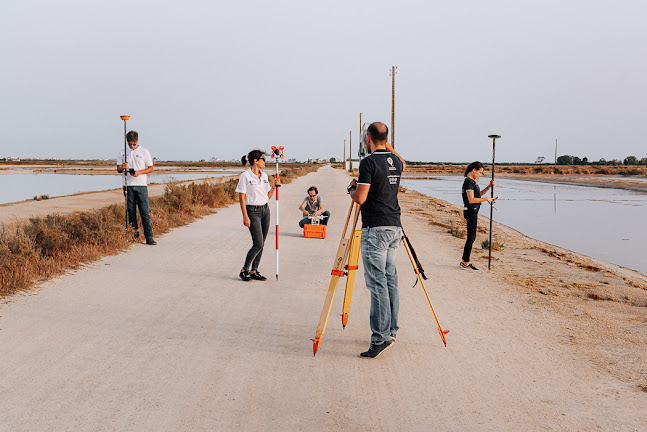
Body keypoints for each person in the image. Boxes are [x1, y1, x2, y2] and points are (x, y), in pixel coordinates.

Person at [348, 122, 406, 358]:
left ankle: (380, 338)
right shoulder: (397, 162)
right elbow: (400, 160)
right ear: (387, 138)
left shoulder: (368, 162)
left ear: (367, 139)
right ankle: (391, 330)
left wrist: (351, 189)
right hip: (394, 227)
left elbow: (360, 198)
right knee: (390, 278)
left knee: (377, 283)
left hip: (375, 229)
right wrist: (384, 142)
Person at [235, 149, 280, 281]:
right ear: (255, 160)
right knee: (258, 244)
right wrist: (245, 216)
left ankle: (254, 270)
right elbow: (242, 198)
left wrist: (274, 187)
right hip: (252, 211)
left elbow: (267, 197)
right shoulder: (245, 176)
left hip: (265, 211)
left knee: (262, 243)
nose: (265, 161)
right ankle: (244, 270)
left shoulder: (265, 176)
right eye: (263, 159)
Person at [116, 130, 156, 245]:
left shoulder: (144, 151)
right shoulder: (122, 152)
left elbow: (151, 168)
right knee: (131, 211)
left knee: (144, 212)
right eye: (129, 144)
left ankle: (149, 237)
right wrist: (123, 167)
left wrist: (139, 172)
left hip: (141, 185)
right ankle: (134, 235)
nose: (131, 146)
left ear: (137, 141)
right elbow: (118, 169)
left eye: (133, 144)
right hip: (128, 185)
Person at [460, 161, 495, 271]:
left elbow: (478, 195)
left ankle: (464, 261)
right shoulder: (468, 182)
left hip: (473, 211)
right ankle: (465, 262)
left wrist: (489, 186)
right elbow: (471, 200)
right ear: (474, 170)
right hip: (470, 211)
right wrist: (486, 199)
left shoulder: (472, 182)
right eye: (480, 172)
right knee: (471, 237)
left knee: (472, 237)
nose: (480, 174)